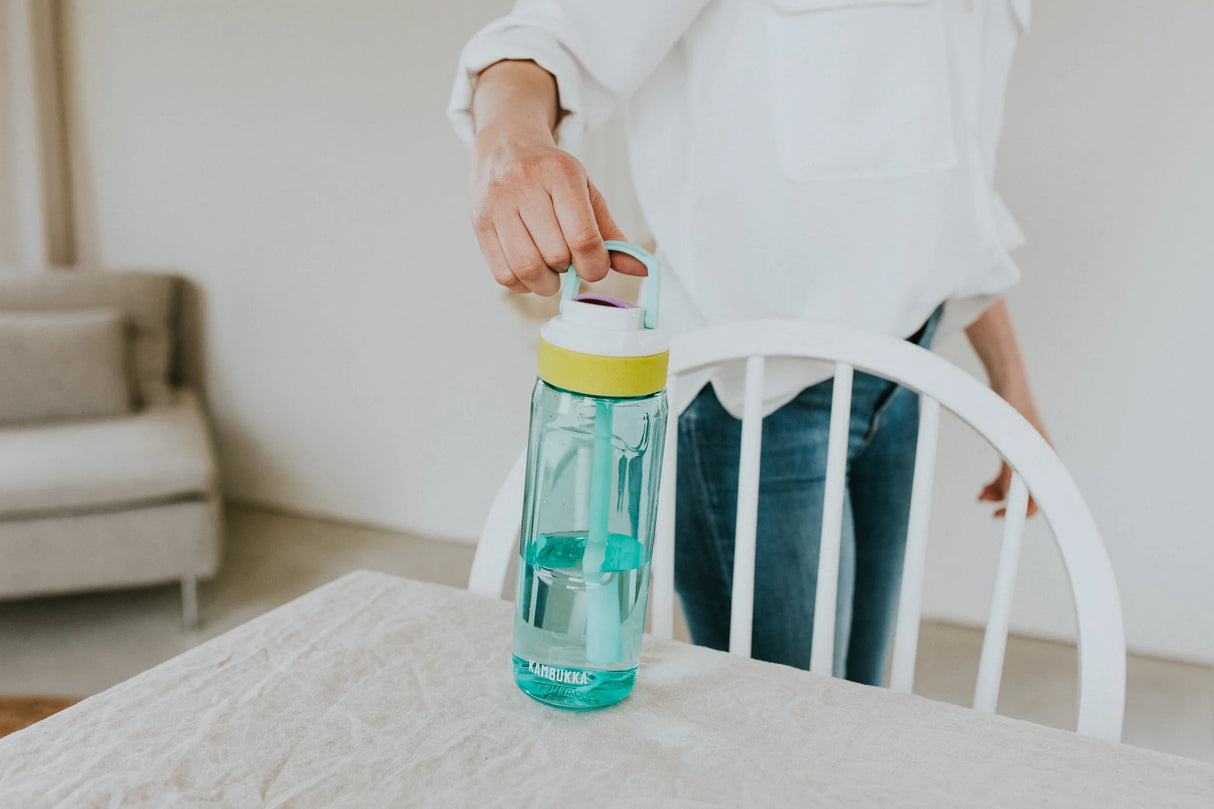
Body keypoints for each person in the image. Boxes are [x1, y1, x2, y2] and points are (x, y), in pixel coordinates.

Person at [448, 0, 1046, 685]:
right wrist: (510, 136)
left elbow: (946, 203)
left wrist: (1012, 385)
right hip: (757, 409)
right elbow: (546, 38)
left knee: (856, 701)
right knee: (787, 729)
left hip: (903, 370)